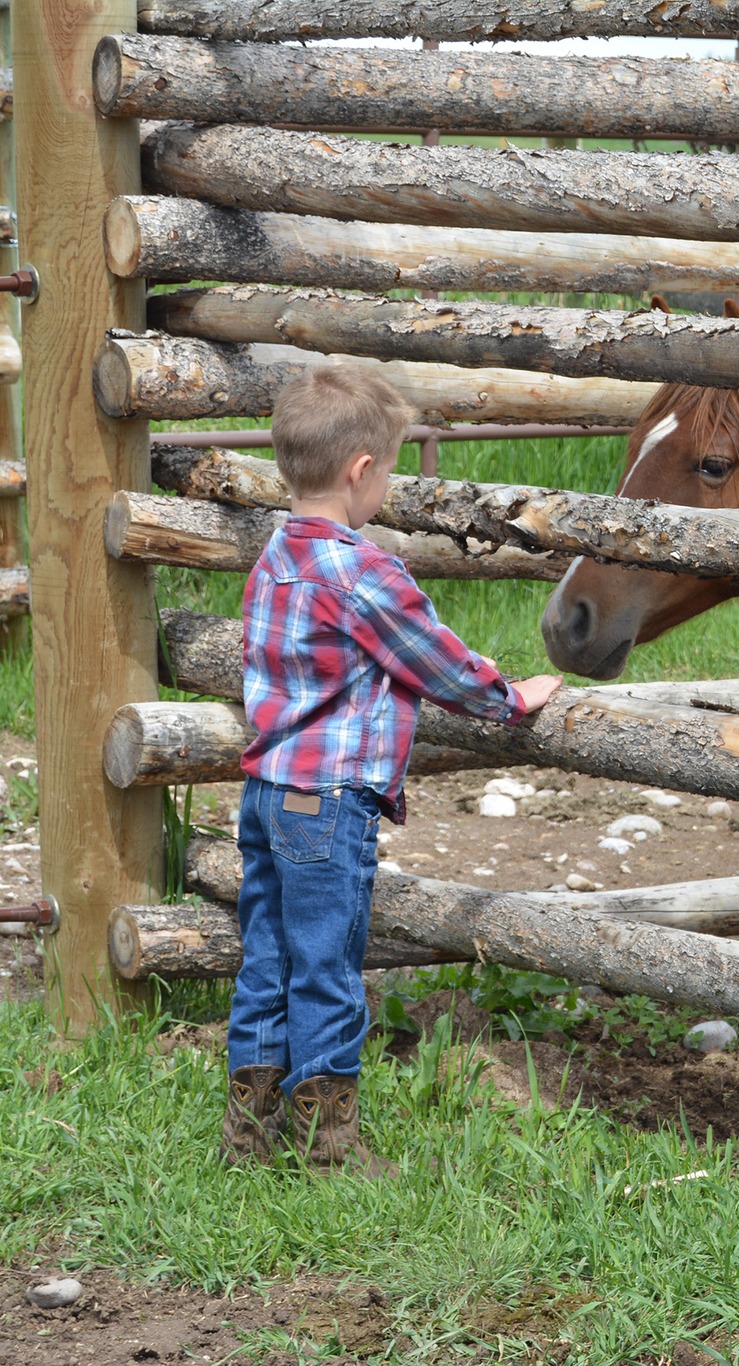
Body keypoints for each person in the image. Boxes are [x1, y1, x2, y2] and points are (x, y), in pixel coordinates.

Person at [219, 366, 562, 1175]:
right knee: (330, 968)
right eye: (390, 470)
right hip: (330, 804)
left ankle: (246, 1131)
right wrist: (511, 696)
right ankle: (326, 1145)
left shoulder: (274, 554)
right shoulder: (363, 571)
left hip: (267, 793)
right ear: (361, 471)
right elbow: (435, 664)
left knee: (267, 958)